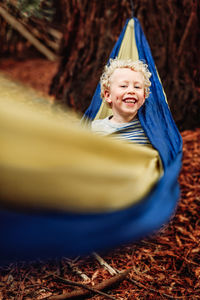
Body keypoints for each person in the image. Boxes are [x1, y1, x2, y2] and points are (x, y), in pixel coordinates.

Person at [91, 58, 152, 146]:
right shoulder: (95, 128)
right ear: (108, 95)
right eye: (123, 86)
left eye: (137, 87)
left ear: (143, 97)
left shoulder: (149, 130)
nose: (131, 91)